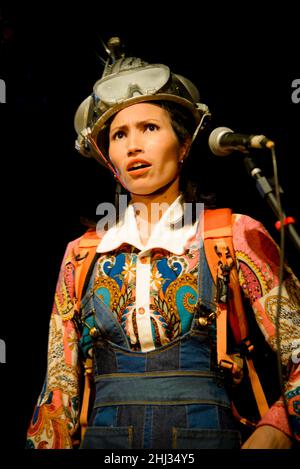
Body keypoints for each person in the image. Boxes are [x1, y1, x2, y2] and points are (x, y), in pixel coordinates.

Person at [26, 38, 300, 449]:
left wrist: (275, 431)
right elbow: (59, 390)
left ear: (185, 144)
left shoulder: (233, 235)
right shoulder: (82, 254)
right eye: (119, 135)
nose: (133, 145)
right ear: (109, 160)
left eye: (149, 128)